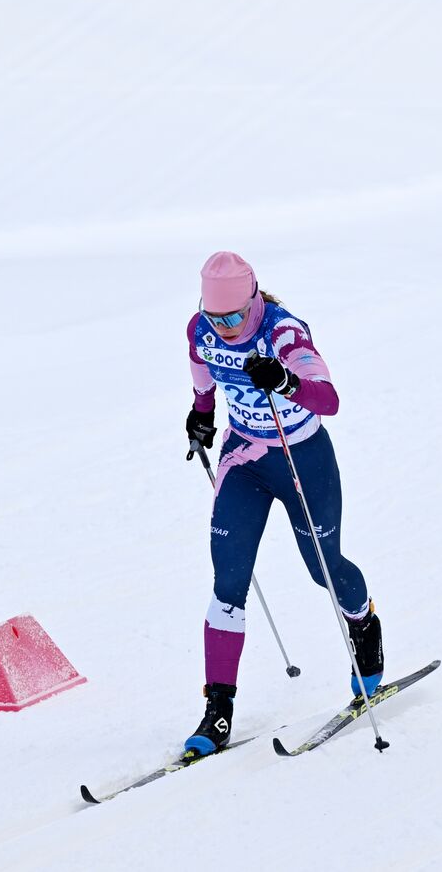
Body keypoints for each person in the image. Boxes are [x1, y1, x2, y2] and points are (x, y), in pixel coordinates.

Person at [182, 251, 383, 758]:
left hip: (302, 459)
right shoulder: (201, 330)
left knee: (323, 568)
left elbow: (329, 399)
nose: (225, 328)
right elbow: (202, 374)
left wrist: (287, 382)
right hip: (244, 458)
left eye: (234, 317)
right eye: (215, 317)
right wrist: (201, 415)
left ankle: (364, 628)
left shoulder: (283, 333)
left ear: (253, 300)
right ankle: (218, 710)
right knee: (228, 580)